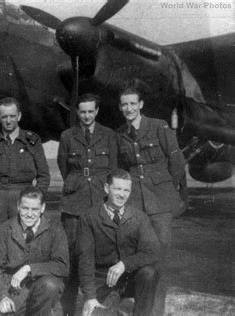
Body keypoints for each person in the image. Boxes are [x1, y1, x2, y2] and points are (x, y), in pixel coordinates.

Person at [57, 93, 117, 313]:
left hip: (99, 199)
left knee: (101, 253)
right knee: (72, 254)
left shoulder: (109, 135)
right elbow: (64, 166)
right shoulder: (67, 136)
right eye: (82, 111)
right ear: (77, 113)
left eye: (91, 111)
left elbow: (113, 167)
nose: (86, 115)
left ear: (97, 111)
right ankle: (67, 308)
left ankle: (99, 304)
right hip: (75, 202)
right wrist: (78, 183)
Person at [79, 169, 161, 316]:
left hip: (132, 279)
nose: (122, 194)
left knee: (149, 273)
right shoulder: (89, 217)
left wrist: (124, 264)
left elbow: (153, 251)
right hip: (105, 281)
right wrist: (90, 297)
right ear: (106, 188)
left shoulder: (139, 217)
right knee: (97, 315)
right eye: (117, 189)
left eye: (126, 190)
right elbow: (85, 259)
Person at [115, 87, 185, 252]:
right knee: (135, 246)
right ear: (119, 107)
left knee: (161, 245)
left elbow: (177, 161)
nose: (129, 109)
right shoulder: (119, 134)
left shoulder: (159, 126)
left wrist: (167, 186)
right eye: (124, 105)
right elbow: (121, 169)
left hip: (160, 198)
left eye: (133, 104)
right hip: (134, 200)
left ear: (141, 105)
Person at [0, 97, 50, 252]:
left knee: (24, 242)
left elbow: (43, 175)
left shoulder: (32, 141)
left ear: (19, 116)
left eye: (12, 116)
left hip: (23, 196)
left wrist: (36, 200)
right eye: (4, 116)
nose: (8, 120)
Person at [0, 186, 69, 316]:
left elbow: (62, 266)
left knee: (50, 285)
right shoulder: (5, 229)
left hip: (42, 287)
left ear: (42, 208)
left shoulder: (55, 229)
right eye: (25, 208)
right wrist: (2, 297)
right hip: (14, 289)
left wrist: (29, 268)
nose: (29, 214)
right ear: (18, 206)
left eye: (35, 209)